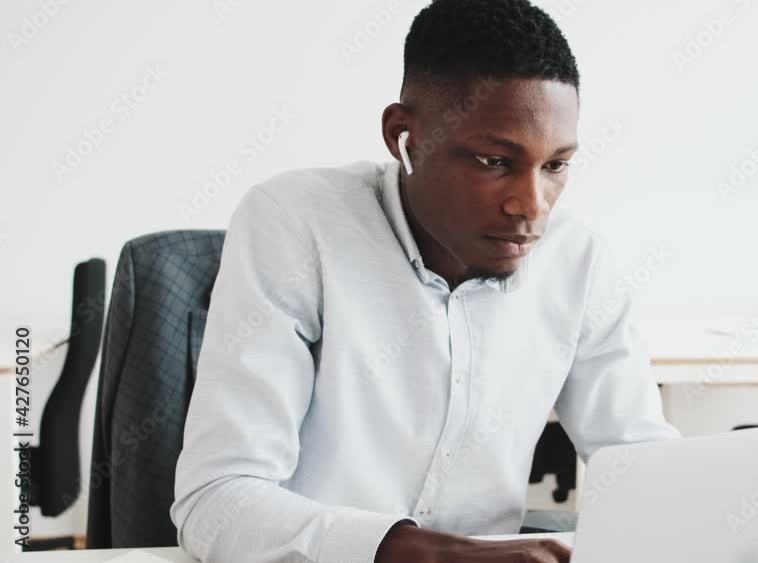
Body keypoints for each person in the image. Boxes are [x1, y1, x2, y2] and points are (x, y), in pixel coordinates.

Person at [169, 1, 679, 561]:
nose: (530, 205)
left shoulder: (577, 259)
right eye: (493, 161)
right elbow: (216, 503)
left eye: (555, 166)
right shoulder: (296, 223)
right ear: (403, 135)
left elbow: (640, 466)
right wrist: (440, 555)